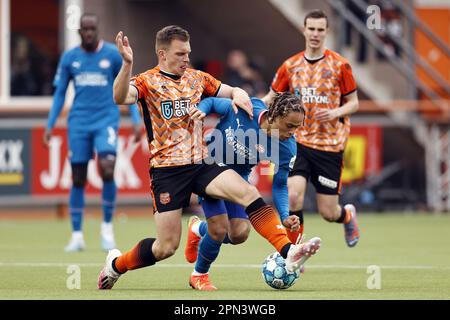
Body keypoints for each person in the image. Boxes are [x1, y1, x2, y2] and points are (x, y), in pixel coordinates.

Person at [97, 25, 321, 290]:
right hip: (167, 170)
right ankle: (116, 265)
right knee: (165, 247)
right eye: (180, 54)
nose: (186, 59)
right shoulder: (147, 81)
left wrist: (239, 94)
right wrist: (127, 64)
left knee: (248, 194)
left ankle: (287, 251)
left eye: (188, 53)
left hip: (203, 162)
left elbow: (229, 92)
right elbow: (120, 96)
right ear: (162, 54)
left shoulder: (198, 78)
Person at [184, 92, 317, 290]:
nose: (293, 132)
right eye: (290, 125)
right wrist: (200, 112)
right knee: (219, 229)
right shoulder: (247, 109)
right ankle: (199, 274)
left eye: (298, 126)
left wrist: (285, 215)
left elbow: (280, 184)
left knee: (239, 234)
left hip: (237, 182)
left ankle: (197, 229)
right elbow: (212, 102)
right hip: (208, 168)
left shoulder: (287, 147)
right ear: (273, 116)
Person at [43, 14, 142, 252]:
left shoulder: (110, 55)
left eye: (92, 29)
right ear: (79, 32)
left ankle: (107, 228)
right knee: (78, 177)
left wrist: (137, 121)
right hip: (78, 122)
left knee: (107, 168)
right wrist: (50, 124)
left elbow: (129, 87)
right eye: (84, 29)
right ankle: (77, 235)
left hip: (106, 119)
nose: (88, 33)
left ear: (97, 30)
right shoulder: (70, 58)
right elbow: (59, 94)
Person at [263, 9, 360, 247]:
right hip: (299, 143)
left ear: (327, 32)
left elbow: (354, 103)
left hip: (329, 146)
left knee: (328, 212)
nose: (315, 34)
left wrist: (335, 112)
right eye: (311, 28)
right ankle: (294, 253)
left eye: (320, 29)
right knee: (293, 195)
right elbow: (271, 97)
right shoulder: (290, 66)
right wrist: (249, 106)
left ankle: (347, 216)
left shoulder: (340, 66)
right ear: (304, 30)